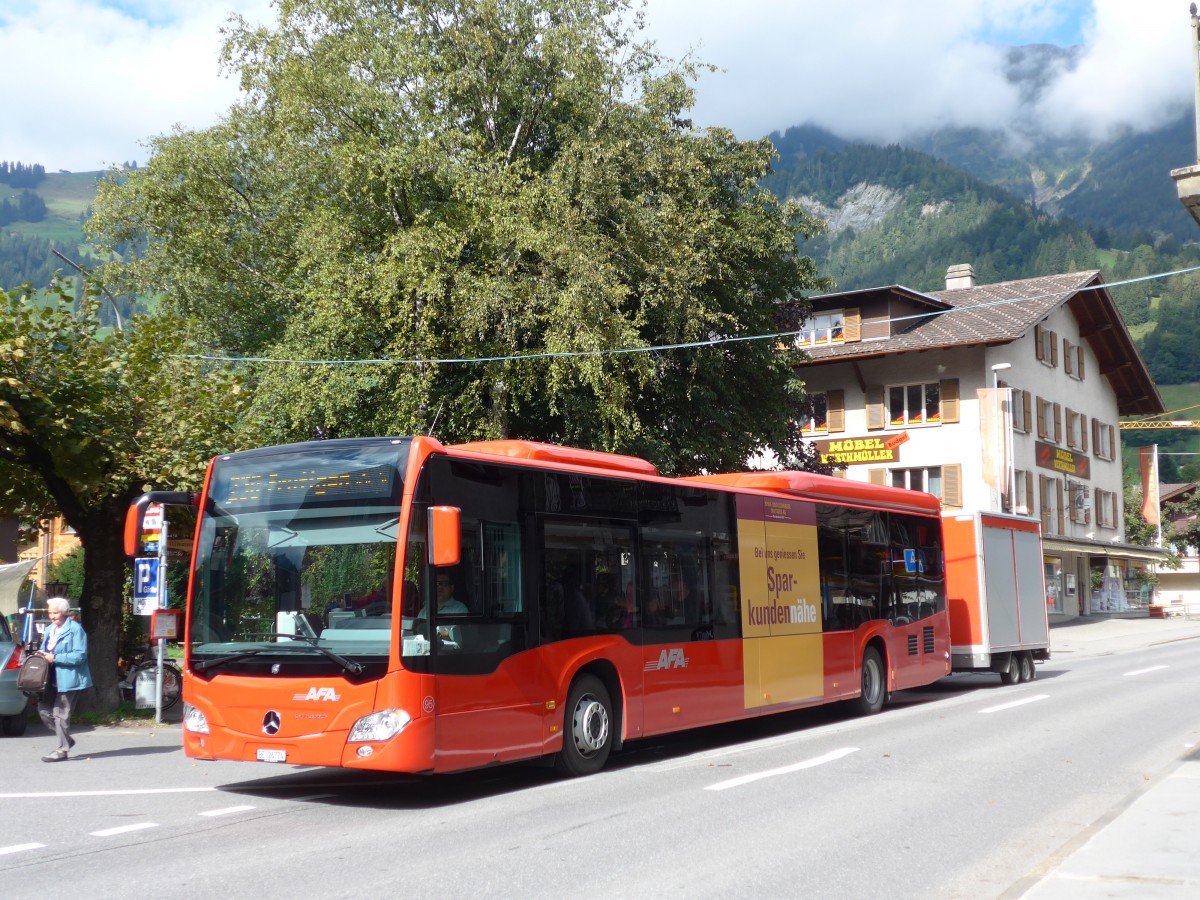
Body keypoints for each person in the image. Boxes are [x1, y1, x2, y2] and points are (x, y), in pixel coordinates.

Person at [36, 597, 92, 762]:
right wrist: (41, 654)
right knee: (44, 711)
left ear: (65, 613)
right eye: (50, 613)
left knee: (60, 714)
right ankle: (66, 739)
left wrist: (55, 658)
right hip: (49, 678)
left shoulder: (75, 629)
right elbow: (45, 649)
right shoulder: (49, 630)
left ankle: (62, 750)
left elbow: (80, 656)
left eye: (56, 613)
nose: (52, 616)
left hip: (69, 679)